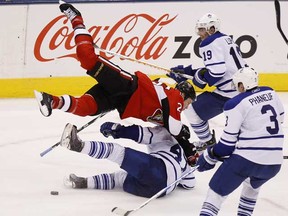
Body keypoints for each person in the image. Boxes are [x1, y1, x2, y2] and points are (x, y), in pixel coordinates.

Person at [34, 2, 196, 143]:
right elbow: (174, 128)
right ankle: (76, 19)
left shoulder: (169, 107)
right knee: (87, 58)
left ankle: (51, 101)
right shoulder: (175, 98)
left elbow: (167, 124)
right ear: (183, 95)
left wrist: (185, 142)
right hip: (127, 86)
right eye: (189, 102)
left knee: (86, 108)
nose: (187, 107)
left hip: (122, 102)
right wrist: (183, 132)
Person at [196, 67, 285, 216]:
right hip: (274, 163)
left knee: (215, 193)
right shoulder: (270, 92)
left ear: (242, 85)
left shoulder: (235, 103)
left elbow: (226, 146)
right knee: (251, 187)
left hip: (247, 160)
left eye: (238, 85)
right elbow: (280, 118)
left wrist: (209, 155)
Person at [168, 13, 248, 149]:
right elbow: (218, 69)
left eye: (202, 29)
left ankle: (208, 143)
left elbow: (216, 73)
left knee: (191, 110)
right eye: (198, 29)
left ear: (211, 29)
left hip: (229, 94)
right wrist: (189, 72)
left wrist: (197, 80)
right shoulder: (224, 38)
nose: (199, 34)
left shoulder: (209, 42)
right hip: (242, 90)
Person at [60, 121, 196, 198]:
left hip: (157, 171)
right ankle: (83, 182)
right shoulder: (186, 165)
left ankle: (77, 146)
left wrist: (119, 130)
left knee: (117, 152)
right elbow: (190, 184)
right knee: (119, 178)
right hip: (158, 192)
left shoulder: (167, 134)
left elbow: (140, 134)